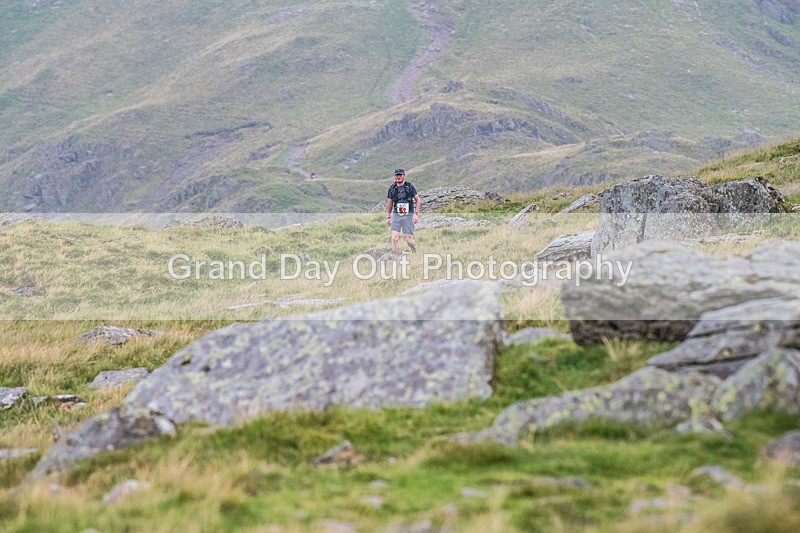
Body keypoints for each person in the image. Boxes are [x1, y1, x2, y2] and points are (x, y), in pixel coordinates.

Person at [386, 168, 420, 255]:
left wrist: (415, 214)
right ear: (394, 177)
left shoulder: (409, 186)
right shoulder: (392, 188)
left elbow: (418, 200)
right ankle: (396, 255)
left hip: (408, 215)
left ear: (404, 176)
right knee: (394, 238)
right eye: (397, 175)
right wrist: (388, 217)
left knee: (408, 240)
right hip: (396, 215)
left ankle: (414, 250)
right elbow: (390, 203)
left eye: (400, 175)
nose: (398, 177)